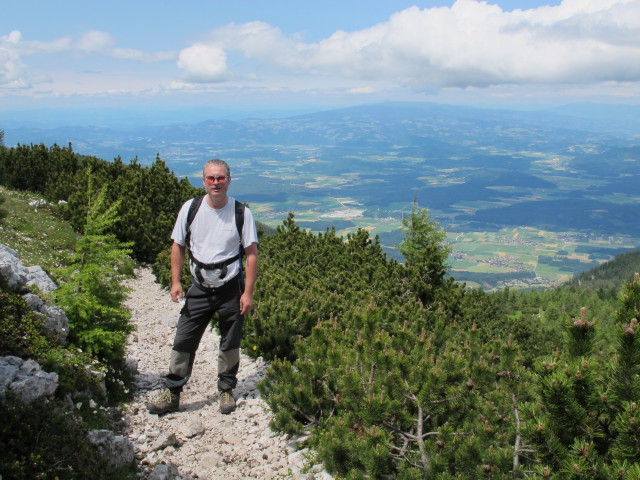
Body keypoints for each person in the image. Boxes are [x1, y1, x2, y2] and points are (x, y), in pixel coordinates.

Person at [146, 158, 259, 415]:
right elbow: (178, 245)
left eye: (221, 178)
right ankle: (172, 391)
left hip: (231, 287)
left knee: (230, 341)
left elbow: (251, 254)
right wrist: (175, 281)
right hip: (198, 286)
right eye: (211, 178)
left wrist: (248, 293)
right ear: (204, 181)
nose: (216, 182)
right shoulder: (191, 208)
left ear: (229, 180)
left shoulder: (241, 213)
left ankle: (226, 390)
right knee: (184, 339)